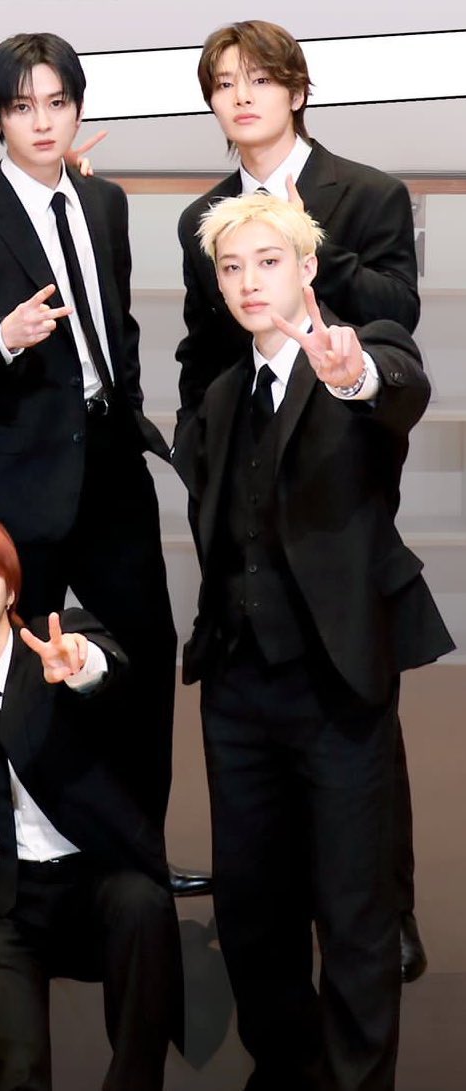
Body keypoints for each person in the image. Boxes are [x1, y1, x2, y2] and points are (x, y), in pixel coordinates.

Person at [174, 192, 452, 1091]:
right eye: (231, 268)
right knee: (253, 910)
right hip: (238, 688)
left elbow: (398, 387)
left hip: (338, 680)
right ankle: (287, 1071)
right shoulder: (221, 395)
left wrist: (353, 372)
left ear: (306, 268)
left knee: (355, 907)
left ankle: (359, 1079)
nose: (249, 282)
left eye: (267, 262)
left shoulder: (360, 353)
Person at [175, 17, 427, 980]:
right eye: (223, 83)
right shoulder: (205, 215)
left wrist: (301, 237)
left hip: (342, 448)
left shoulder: (364, 192)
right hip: (244, 454)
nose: (240, 97)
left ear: (296, 90)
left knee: (354, 692)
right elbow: (203, 346)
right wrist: (200, 445)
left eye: (258, 79)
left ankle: (384, 908)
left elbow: (397, 315)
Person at [0, 32, 200, 892]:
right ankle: (11, 858)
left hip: (111, 463)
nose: (42, 121)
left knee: (144, 653)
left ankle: (139, 857)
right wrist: (2, 337)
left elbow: (118, 320)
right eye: (22, 106)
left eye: (57, 103)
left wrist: (128, 405)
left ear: (77, 109)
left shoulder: (104, 202)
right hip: (18, 479)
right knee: (12, 669)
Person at [0, 508, 181, 1091]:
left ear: (11, 588)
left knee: (142, 904)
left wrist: (83, 667)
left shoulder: (54, 650)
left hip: (93, 879)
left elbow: (111, 670)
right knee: (12, 1074)